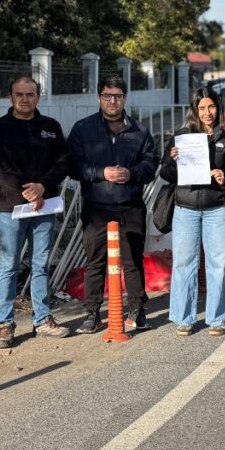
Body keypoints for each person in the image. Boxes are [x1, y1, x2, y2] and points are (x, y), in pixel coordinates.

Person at [67, 75, 159, 334]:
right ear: (99, 98)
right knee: (95, 261)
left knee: (132, 260)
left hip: (130, 205)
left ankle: (137, 310)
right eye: (107, 96)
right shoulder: (83, 129)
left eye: (117, 96)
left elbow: (151, 164)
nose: (112, 101)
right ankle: (93, 313)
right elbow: (73, 165)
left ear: (124, 99)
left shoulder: (139, 131)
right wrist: (101, 172)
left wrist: (132, 174)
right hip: (97, 207)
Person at [0, 76, 70, 349]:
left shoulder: (51, 127)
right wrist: (27, 192)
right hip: (11, 208)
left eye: (30, 94)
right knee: (9, 265)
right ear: (10, 97)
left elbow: (63, 162)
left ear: (38, 97)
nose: (25, 99)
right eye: (19, 94)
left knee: (40, 264)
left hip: (45, 205)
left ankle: (42, 319)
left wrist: (43, 187)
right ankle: (5, 324)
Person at [160, 88, 225, 337]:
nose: (207, 113)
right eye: (201, 108)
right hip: (185, 209)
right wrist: (171, 159)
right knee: (184, 263)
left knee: (218, 264)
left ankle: (217, 318)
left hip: (216, 210)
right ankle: (183, 318)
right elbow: (165, 174)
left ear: (217, 109)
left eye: (211, 107)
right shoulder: (181, 137)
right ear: (194, 111)